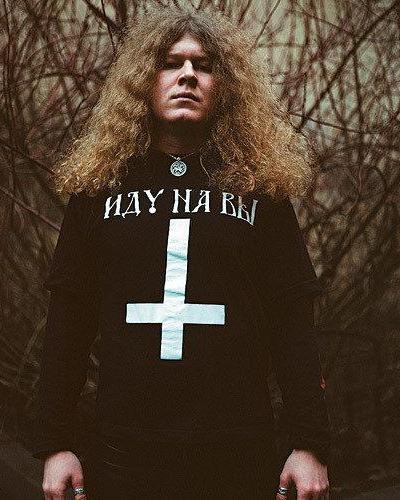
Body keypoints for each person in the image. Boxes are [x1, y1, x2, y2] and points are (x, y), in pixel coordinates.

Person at [29, 8, 331, 500]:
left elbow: (292, 322)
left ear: (224, 88)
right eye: (171, 63)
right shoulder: (98, 189)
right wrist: (55, 443)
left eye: (203, 66)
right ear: (143, 82)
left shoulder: (261, 191)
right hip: (123, 453)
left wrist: (309, 443)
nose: (188, 75)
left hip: (237, 453)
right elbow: (69, 320)